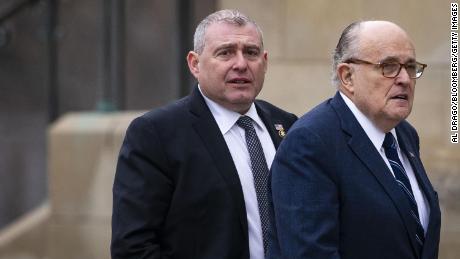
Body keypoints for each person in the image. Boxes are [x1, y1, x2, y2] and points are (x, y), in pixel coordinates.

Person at [111, 9, 297, 259]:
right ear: (194, 64)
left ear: (264, 62)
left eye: (251, 53)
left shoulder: (287, 125)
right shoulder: (156, 134)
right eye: (226, 52)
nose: (241, 64)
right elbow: (133, 248)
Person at [269, 21, 441, 259]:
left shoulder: (405, 134)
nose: (404, 79)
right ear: (348, 76)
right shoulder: (310, 142)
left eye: (410, 67)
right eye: (388, 66)